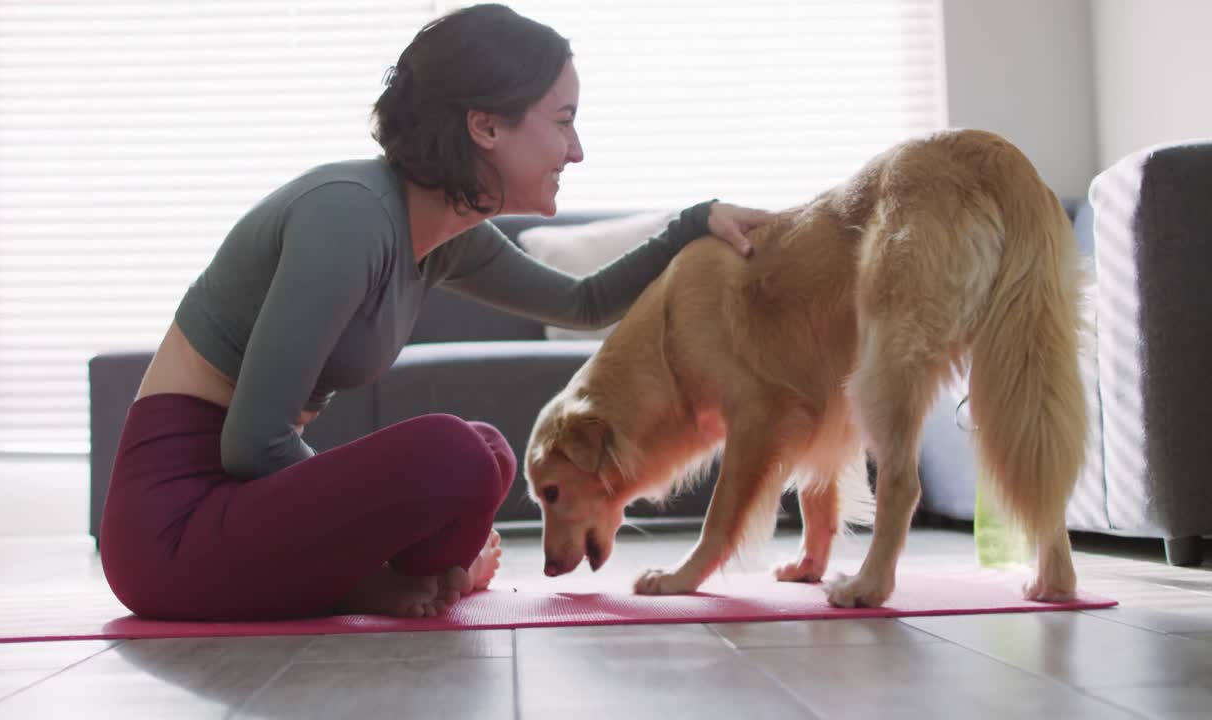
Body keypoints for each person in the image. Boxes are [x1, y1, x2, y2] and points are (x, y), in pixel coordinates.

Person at [98, 2, 775, 621]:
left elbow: (582, 302)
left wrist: (693, 224)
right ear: (484, 125)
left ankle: (384, 582)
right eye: (563, 121)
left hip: (240, 513)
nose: (576, 150)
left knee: (488, 451)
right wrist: (375, 536)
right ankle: (373, 581)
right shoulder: (349, 218)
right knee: (453, 454)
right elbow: (249, 444)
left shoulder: (448, 237)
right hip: (173, 530)